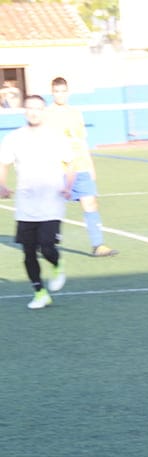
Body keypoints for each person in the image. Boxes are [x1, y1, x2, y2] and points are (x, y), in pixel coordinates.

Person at [0, 95, 74, 309]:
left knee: (47, 246)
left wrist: (68, 186)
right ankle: (40, 292)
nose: (34, 112)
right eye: (30, 108)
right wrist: (2, 184)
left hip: (52, 201)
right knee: (28, 251)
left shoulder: (56, 137)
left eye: (38, 108)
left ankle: (57, 264)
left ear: (44, 111)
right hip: (25, 204)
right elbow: (3, 164)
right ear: (24, 111)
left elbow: (70, 164)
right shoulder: (14, 138)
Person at [46, 77, 119, 256]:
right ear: (52, 92)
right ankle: (48, 241)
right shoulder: (46, 115)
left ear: (68, 92)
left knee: (90, 202)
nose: (60, 95)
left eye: (63, 91)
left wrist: (90, 165)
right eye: (57, 91)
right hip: (60, 169)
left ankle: (98, 245)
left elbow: (81, 140)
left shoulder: (76, 113)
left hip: (81, 166)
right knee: (53, 207)